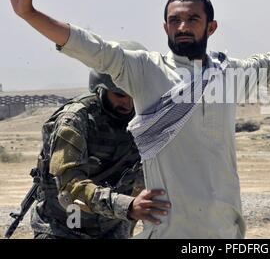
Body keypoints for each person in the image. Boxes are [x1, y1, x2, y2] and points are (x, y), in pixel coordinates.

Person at [4, 0, 270, 238]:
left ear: (210, 27)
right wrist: (30, 14)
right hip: (166, 224)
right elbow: (90, 47)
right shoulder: (143, 71)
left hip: (222, 222)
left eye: (192, 19)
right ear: (164, 27)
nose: (182, 26)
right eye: (174, 20)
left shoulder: (230, 75)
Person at [30, 62, 171, 239]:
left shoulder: (144, 118)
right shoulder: (74, 120)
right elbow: (70, 187)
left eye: (133, 95)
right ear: (100, 89)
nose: (127, 102)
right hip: (62, 228)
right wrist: (127, 206)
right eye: (119, 95)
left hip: (112, 228)